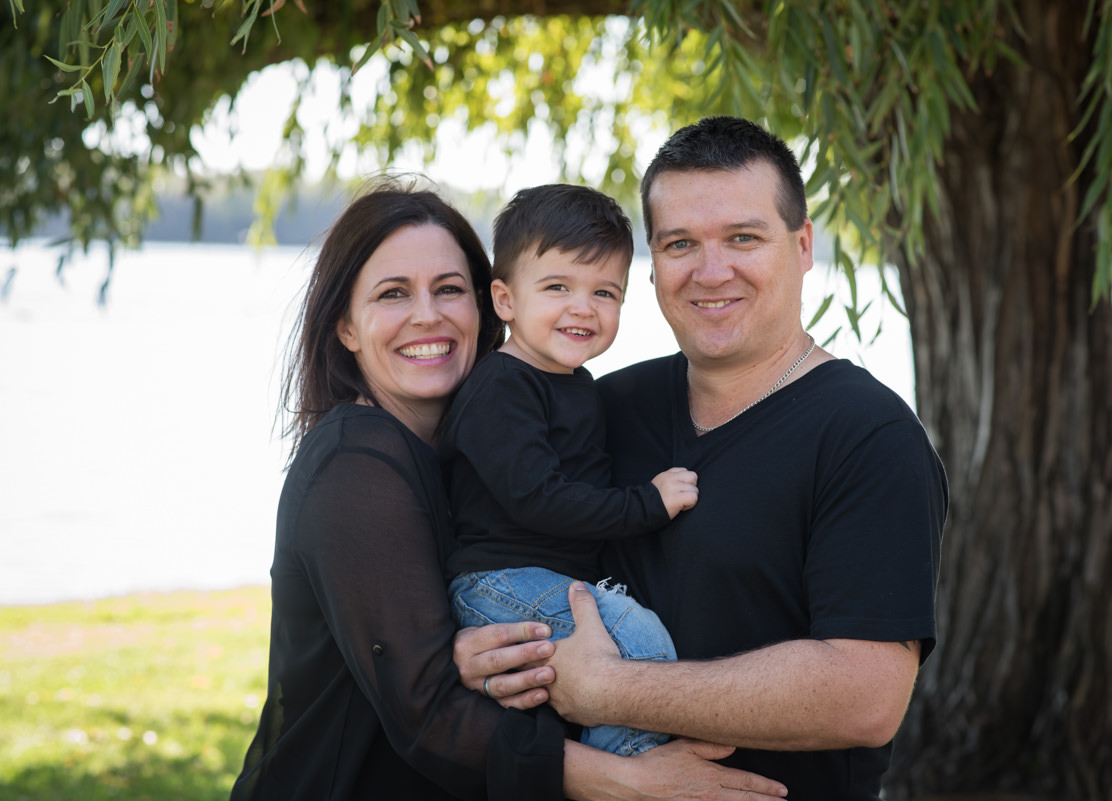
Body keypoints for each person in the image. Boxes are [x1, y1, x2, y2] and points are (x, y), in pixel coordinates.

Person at [230, 177, 789, 801]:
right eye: (393, 294)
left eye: (448, 289)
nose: (428, 314)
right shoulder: (357, 462)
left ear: (482, 303)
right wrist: (633, 781)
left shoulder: (459, 437)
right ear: (347, 328)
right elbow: (424, 706)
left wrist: (468, 653)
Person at [454, 117, 948, 800]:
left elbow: (864, 697)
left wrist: (606, 688)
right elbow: (503, 549)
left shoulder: (869, 435)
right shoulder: (606, 403)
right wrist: (476, 650)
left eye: (743, 238)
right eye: (680, 243)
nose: (711, 271)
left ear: (803, 247)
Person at [440, 184, 697, 757]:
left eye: (605, 292)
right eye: (558, 286)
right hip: (499, 583)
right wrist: (647, 505)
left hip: (540, 581)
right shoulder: (501, 386)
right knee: (638, 645)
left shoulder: (574, 383)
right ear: (505, 301)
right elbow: (538, 497)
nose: (583, 307)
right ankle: (627, 782)